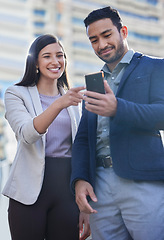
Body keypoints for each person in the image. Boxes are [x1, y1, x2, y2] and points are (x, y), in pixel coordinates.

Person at [70, 6, 164, 240]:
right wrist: (80, 180)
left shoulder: (155, 67)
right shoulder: (94, 82)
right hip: (99, 187)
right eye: (94, 40)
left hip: (142, 180)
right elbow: (83, 138)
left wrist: (117, 108)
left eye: (106, 35)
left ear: (123, 31)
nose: (101, 45)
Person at [2, 34, 90, 240]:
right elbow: (27, 135)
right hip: (28, 192)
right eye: (47, 56)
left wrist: (85, 205)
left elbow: (82, 149)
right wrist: (58, 104)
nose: (55, 61)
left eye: (60, 55)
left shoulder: (74, 101)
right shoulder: (16, 94)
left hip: (67, 189)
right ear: (36, 63)